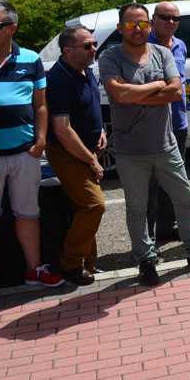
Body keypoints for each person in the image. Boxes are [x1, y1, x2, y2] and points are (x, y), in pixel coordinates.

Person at [99, 2, 190, 285]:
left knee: (184, 198)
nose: (138, 29)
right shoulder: (111, 56)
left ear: (148, 24)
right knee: (137, 208)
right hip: (131, 149)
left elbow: (175, 91)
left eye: (142, 23)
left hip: (165, 144)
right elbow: (118, 94)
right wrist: (157, 86)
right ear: (120, 28)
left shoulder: (163, 52)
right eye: (131, 24)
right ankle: (146, 260)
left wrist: (136, 93)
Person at [0, 0, 60, 306]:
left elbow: (41, 104)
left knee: (28, 214)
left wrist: (41, 141)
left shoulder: (31, 59)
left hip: (26, 154)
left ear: (12, 28)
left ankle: (34, 270)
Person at [44, 25, 106, 285]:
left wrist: (101, 130)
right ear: (68, 50)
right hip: (68, 152)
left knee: (85, 208)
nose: (94, 49)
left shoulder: (85, 70)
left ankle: (88, 264)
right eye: (88, 45)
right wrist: (90, 160)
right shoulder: (58, 79)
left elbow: (90, 107)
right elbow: (62, 129)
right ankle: (68, 264)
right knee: (94, 205)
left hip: (88, 148)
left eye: (94, 44)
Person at [144, 1, 184, 242]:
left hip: (179, 123)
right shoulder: (144, 47)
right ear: (153, 19)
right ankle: (148, 236)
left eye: (175, 18)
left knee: (174, 181)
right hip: (154, 124)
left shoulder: (181, 45)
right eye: (165, 17)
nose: (171, 22)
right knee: (150, 186)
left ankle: (167, 228)